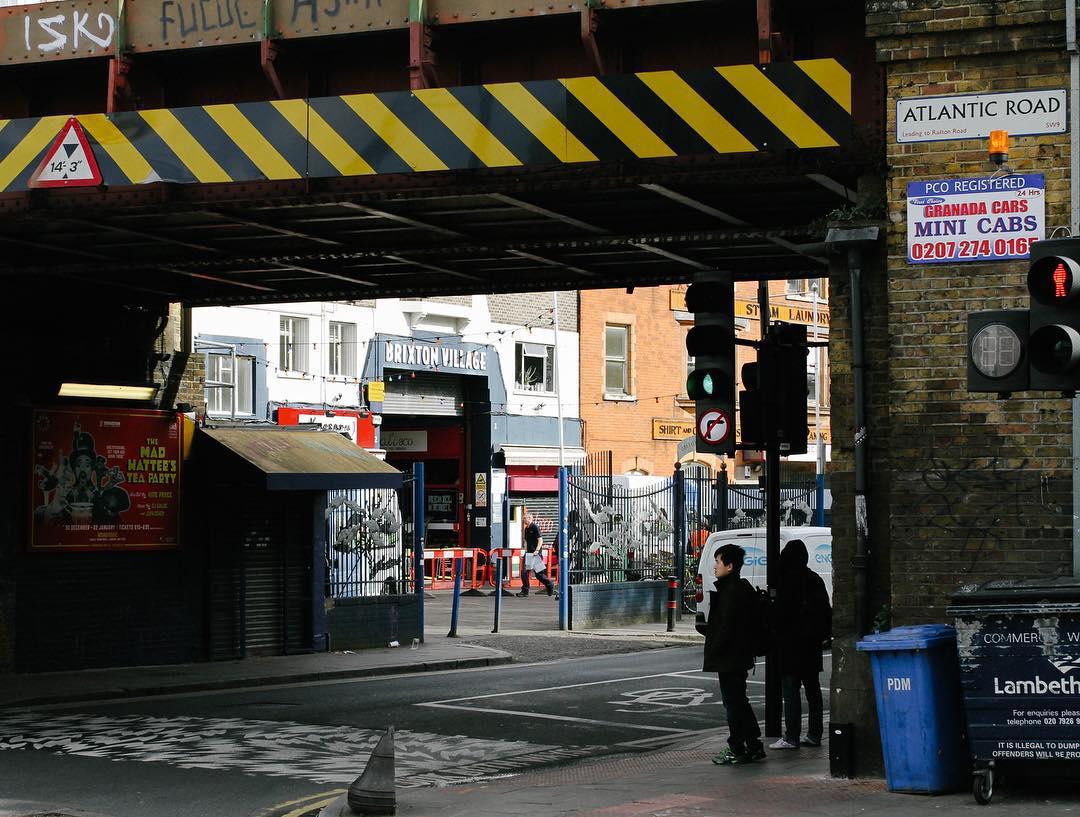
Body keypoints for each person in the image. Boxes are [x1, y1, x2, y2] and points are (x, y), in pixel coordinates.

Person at [703, 543, 766, 765]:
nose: (714, 567)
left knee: (733, 704)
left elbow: (725, 628)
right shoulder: (739, 589)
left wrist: (714, 650)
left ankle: (737, 747)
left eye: (718, 562)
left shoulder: (730, 593)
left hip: (730, 657)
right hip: (739, 655)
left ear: (729, 566)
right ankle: (753, 745)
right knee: (739, 701)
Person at [768, 539, 832, 751]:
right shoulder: (814, 579)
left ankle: (791, 736)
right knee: (813, 690)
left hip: (790, 644)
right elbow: (825, 612)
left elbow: (779, 615)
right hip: (811, 645)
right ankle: (814, 734)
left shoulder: (786, 581)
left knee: (790, 691)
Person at [517, 512, 555, 597]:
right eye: (523, 518)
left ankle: (550, 585)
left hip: (535, 554)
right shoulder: (526, 528)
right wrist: (525, 551)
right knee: (524, 572)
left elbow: (540, 540)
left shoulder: (535, 527)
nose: (523, 520)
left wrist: (537, 550)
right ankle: (525, 591)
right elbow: (527, 541)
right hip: (529, 554)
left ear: (530, 518)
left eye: (525, 518)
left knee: (539, 575)